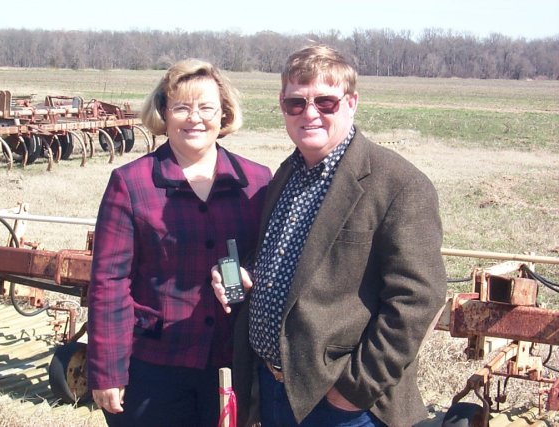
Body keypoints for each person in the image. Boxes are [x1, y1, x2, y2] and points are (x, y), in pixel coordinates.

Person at [211, 45, 447, 427]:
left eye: (326, 102)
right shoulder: (287, 175)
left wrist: (353, 391)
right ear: (282, 106)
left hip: (344, 406)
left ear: (352, 103)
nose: (310, 114)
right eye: (296, 103)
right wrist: (245, 272)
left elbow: (418, 300)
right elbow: (294, 260)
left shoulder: (398, 185)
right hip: (274, 389)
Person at [87, 59, 272, 427]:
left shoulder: (256, 181)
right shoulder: (131, 183)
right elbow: (109, 283)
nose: (195, 118)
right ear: (164, 113)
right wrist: (107, 370)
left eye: (206, 108)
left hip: (231, 362)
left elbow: (269, 260)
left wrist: (247, 274)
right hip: (154, 367)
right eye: (182, 107)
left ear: (224, 115)